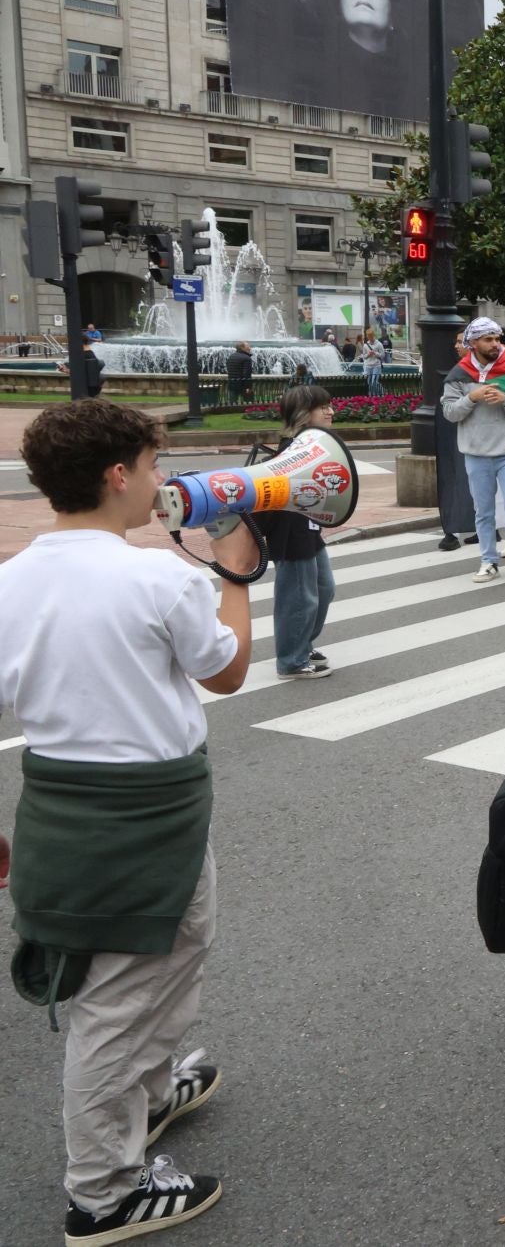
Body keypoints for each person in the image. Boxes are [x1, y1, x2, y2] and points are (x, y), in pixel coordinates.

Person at [1, 399, 260, 1244]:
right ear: (118, 475)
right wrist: (234, 568)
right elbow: (226, 673)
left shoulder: (10, 582)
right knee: (119, 999)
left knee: (161, 966)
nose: (160, 482)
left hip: (58, 810)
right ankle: (103, 1191)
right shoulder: (158, 577)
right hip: (151, 816)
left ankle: (149, 1094)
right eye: (152, 466)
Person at [443, 316, 505, 586]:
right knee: (483, 511)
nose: (496, 344)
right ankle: (489, 561)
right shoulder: (459, 374)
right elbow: (450, 413)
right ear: (473, 343)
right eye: (488, 339)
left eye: (498, 339)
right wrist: (472, 398)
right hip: (476, 453)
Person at [258, 385, 338, 681]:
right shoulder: (293, 451)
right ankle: (291, 660)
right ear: (305, 415)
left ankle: (302, 645)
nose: (330, 411)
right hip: (290, 531)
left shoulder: (311, 447)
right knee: (298, 597)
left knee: (323, 589)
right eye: (322, 407)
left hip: (309, 528)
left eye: (330, 405)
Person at [224, 341, 254, 406]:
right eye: (248, 346)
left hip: (232, 384)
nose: (250, 348)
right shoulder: (247, 358)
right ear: (242, 348)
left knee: (232, 404)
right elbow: (246, 374)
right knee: (250, 405)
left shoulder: (231, 357)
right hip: (243, 385)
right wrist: (248, 387)